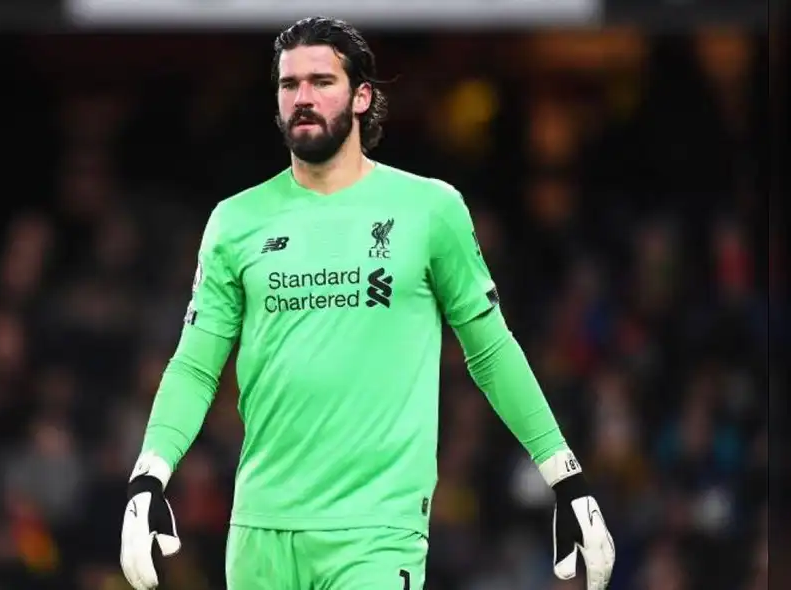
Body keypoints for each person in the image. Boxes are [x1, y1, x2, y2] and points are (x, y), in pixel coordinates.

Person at [119, 16, 615, 590]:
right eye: (289, 85)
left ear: (362, 97)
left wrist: (566, 477)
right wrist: (148, 476)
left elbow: (491, 350)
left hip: (379, 532)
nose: (302, 98)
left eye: (321, 82)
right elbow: (196, 366)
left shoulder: (429, 210)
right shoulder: (235, 222)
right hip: (259, 532)